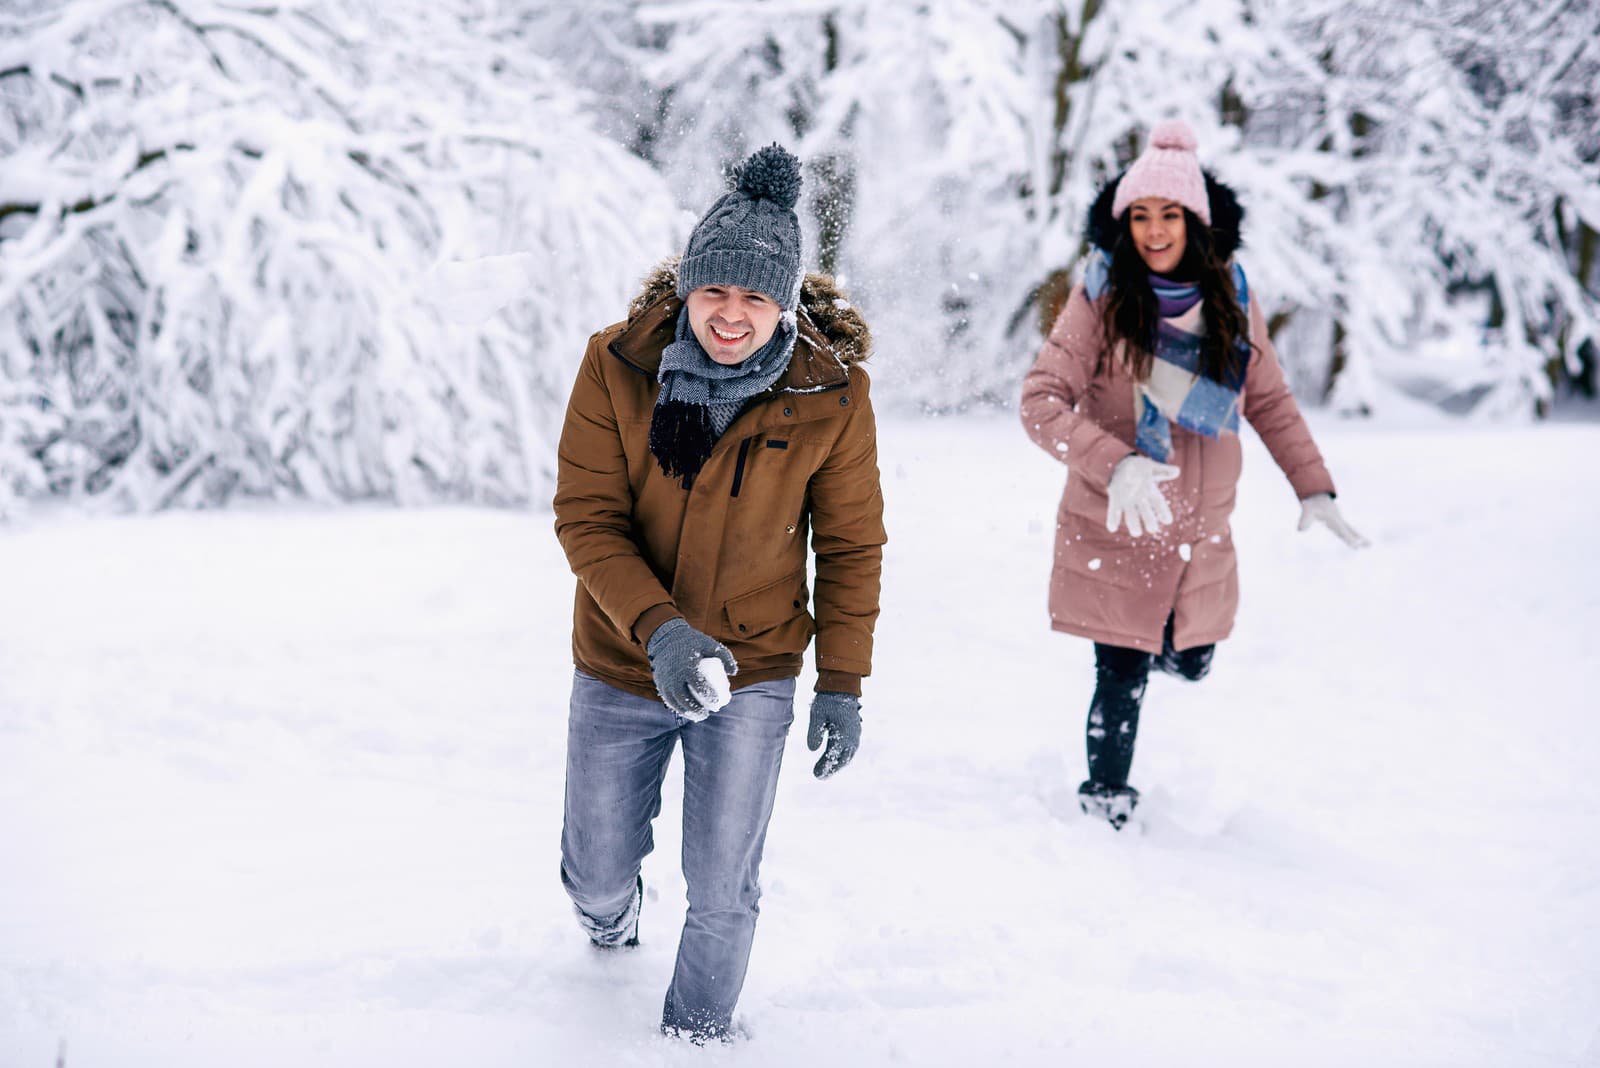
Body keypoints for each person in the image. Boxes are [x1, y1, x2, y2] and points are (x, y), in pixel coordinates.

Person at [551, 143, 885, 1041]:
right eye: (715, 293)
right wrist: (660, 631)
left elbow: (852, 545)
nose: (730, 316)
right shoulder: (617, 366)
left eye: (755, 297)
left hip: (754, 665)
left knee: (724, 887)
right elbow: (587, 518)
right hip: (626, 655)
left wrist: (842, 682)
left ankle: (697, 1041)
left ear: (783, 303)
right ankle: (608, 920)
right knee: (595, 869)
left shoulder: (830, 396)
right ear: (688, 286)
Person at [1019, 120, 1366, 830]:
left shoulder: (1231, 297)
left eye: (1168, 215)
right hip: (1117, 516)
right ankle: (1106, 802)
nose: (1153, 231)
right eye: (1139, 215)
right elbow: (1040, 401)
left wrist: (1314, 485)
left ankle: (1167, 653)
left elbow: (1266, 397)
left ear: (1196, 221)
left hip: (1200, 527)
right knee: (1117, 671)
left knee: (1195, 659)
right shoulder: (1100, 297)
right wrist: (1114, 464)